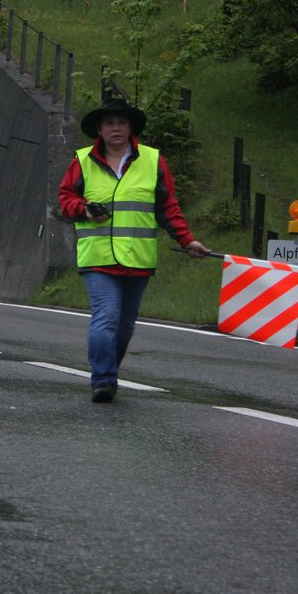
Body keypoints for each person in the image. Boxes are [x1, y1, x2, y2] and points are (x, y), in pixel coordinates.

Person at [58, 98, 210, 403]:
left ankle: (108, 372)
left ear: (130, 128)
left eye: (121, 122)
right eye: (109, 123)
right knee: (107, 316)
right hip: (98, 258)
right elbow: (65, 200)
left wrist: (187, 240)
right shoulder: (82, 160)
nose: (116, 128)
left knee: (124, 327)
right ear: (99, 130)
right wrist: (84, 209)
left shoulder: (153, 161)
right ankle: (102, 379)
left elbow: (168, 207)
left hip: (138, 259)